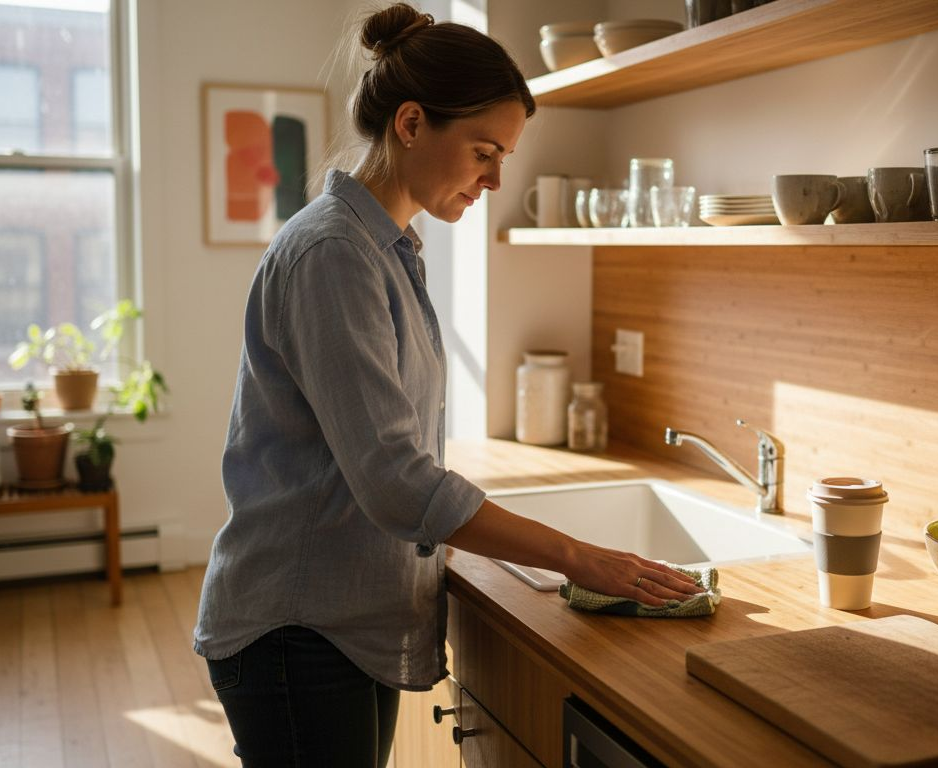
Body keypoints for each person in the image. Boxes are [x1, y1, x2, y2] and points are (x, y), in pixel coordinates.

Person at [193, 5, 704, 766]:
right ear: (409, 124)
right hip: (295, 626)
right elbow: (397, 483)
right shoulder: (334, 256)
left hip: (338, 616)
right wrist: (579, 558)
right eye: (484, 151)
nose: (497, 179)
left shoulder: (387, 249)